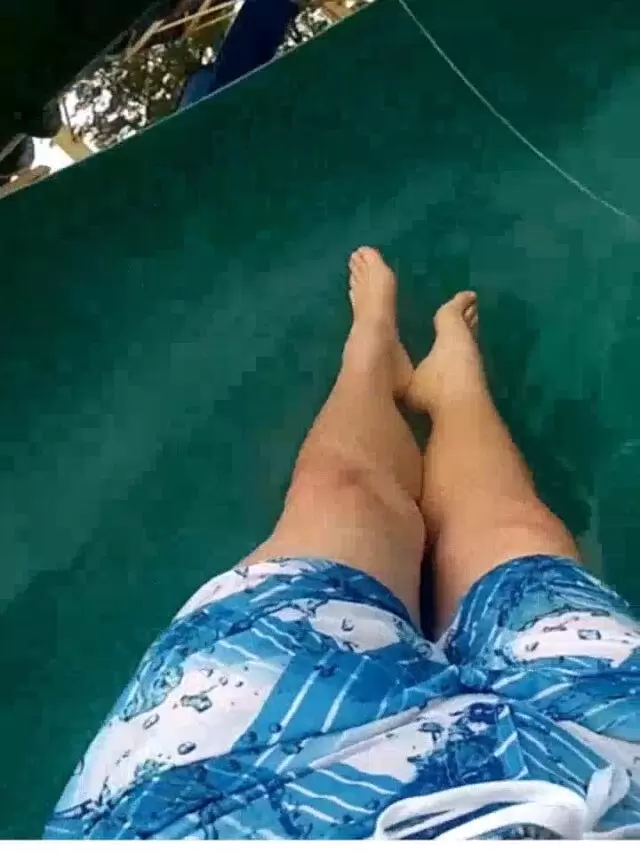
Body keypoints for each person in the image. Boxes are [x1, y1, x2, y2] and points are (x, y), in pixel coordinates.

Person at [45, 248, 640, 840]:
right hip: (611, 775)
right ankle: (445, 387)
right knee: (515, 535)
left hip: (227, 799)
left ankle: (373, 360)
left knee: (341, 497)